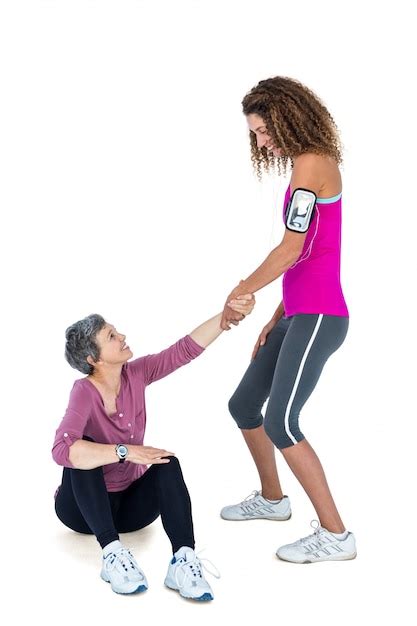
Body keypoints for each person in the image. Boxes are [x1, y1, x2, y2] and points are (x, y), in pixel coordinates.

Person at [219, 76, 357, 564]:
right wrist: (276, 315)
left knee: (281, 420)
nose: (260, 141)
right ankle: (274, 501)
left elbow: (289, 249)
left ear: (286, 116)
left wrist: (243, 288)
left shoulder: (312, 163)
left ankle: (337, 536)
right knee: (244, 405)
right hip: (299, 312)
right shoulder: (304, 167)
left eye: (262, 130)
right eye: (255, 134)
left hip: (321, 315)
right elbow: (306, 255)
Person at [52, 295, 254, 601]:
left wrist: (224, 318)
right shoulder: (84, 391)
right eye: (111, 336)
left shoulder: (136, 373)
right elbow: (61, 450)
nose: (122, 337)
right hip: (81, 511)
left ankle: (183, 561)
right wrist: (125, 451)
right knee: (82, 450)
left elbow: (183, 350)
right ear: (94, 359)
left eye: (117, 332)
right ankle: (112, 554)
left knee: (167, 463)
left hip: (132, 511)